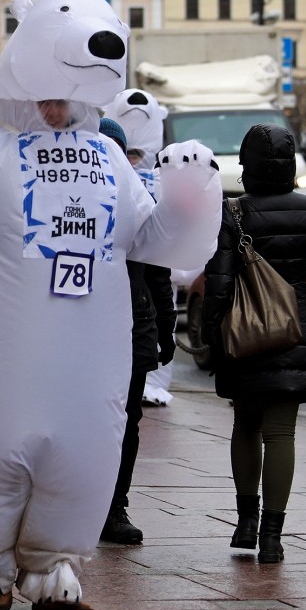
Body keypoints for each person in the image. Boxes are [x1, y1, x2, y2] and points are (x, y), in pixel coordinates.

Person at [0, 0, 221, 610]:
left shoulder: (106, 159)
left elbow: (156, 241)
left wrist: (190, 192)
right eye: (49, 98)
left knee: (82, 444)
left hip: (87, 346)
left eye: (69, 98)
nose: (58, 110)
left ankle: (53, 562)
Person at [202, 124, 306, 565]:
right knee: (281, 433)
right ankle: (272, 537)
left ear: (247, 166)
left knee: (245, 425)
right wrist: (300, 313)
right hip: (292, 336)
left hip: (243, 337)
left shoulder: (232, 213)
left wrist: (215, 336)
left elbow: (219, 284)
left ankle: (245, 523)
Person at [94, 117, 176, 547]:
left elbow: (158, 269)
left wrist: (166, 326)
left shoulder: (139, 200)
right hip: (84, 325)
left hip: (133, 322)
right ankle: (82, 503)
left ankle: (114, 506)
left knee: (126, 420)